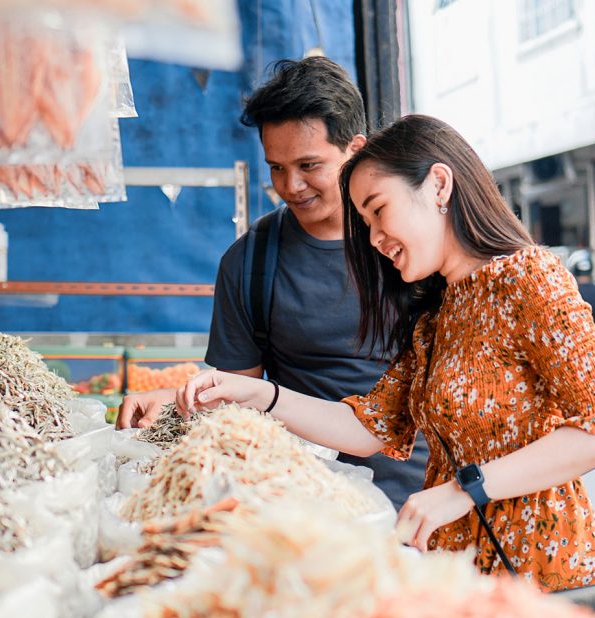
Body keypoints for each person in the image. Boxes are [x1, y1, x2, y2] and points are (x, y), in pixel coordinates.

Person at [176, 114, 595, 593]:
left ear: (438, 185)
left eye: (378, 210)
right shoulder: (437, 314)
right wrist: (258, 392)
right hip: (458, 578)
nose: (372, 239)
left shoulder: (528, 278)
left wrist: (464, 489)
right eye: (364, 222)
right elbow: (368, 429)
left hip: (541, 576)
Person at [117, 56, 427, 510]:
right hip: (310, 512)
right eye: (276, 167)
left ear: (356, 150)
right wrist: (175, 399)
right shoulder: (250, 262)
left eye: (308, 165)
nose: (291, 185)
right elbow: (238, 396)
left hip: (433, 503)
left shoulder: (411, 244)